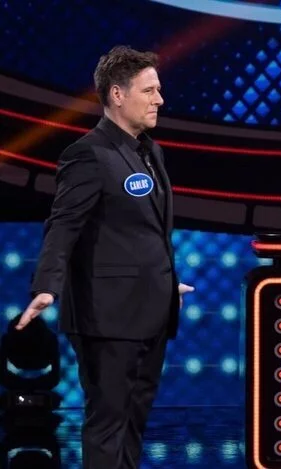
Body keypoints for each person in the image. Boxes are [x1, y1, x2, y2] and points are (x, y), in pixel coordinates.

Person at [16, 45, 194, 469]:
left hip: (151, 313)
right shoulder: (88, 154)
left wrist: (165, 283)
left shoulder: (151, 152)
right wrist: (47, 286)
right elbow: (63, 225)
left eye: (158, 90)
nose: (159, 99)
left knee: (134, 423)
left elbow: (143, 231)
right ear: (117, 94)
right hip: (106, 317)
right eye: (149, 91)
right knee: (108, 425)